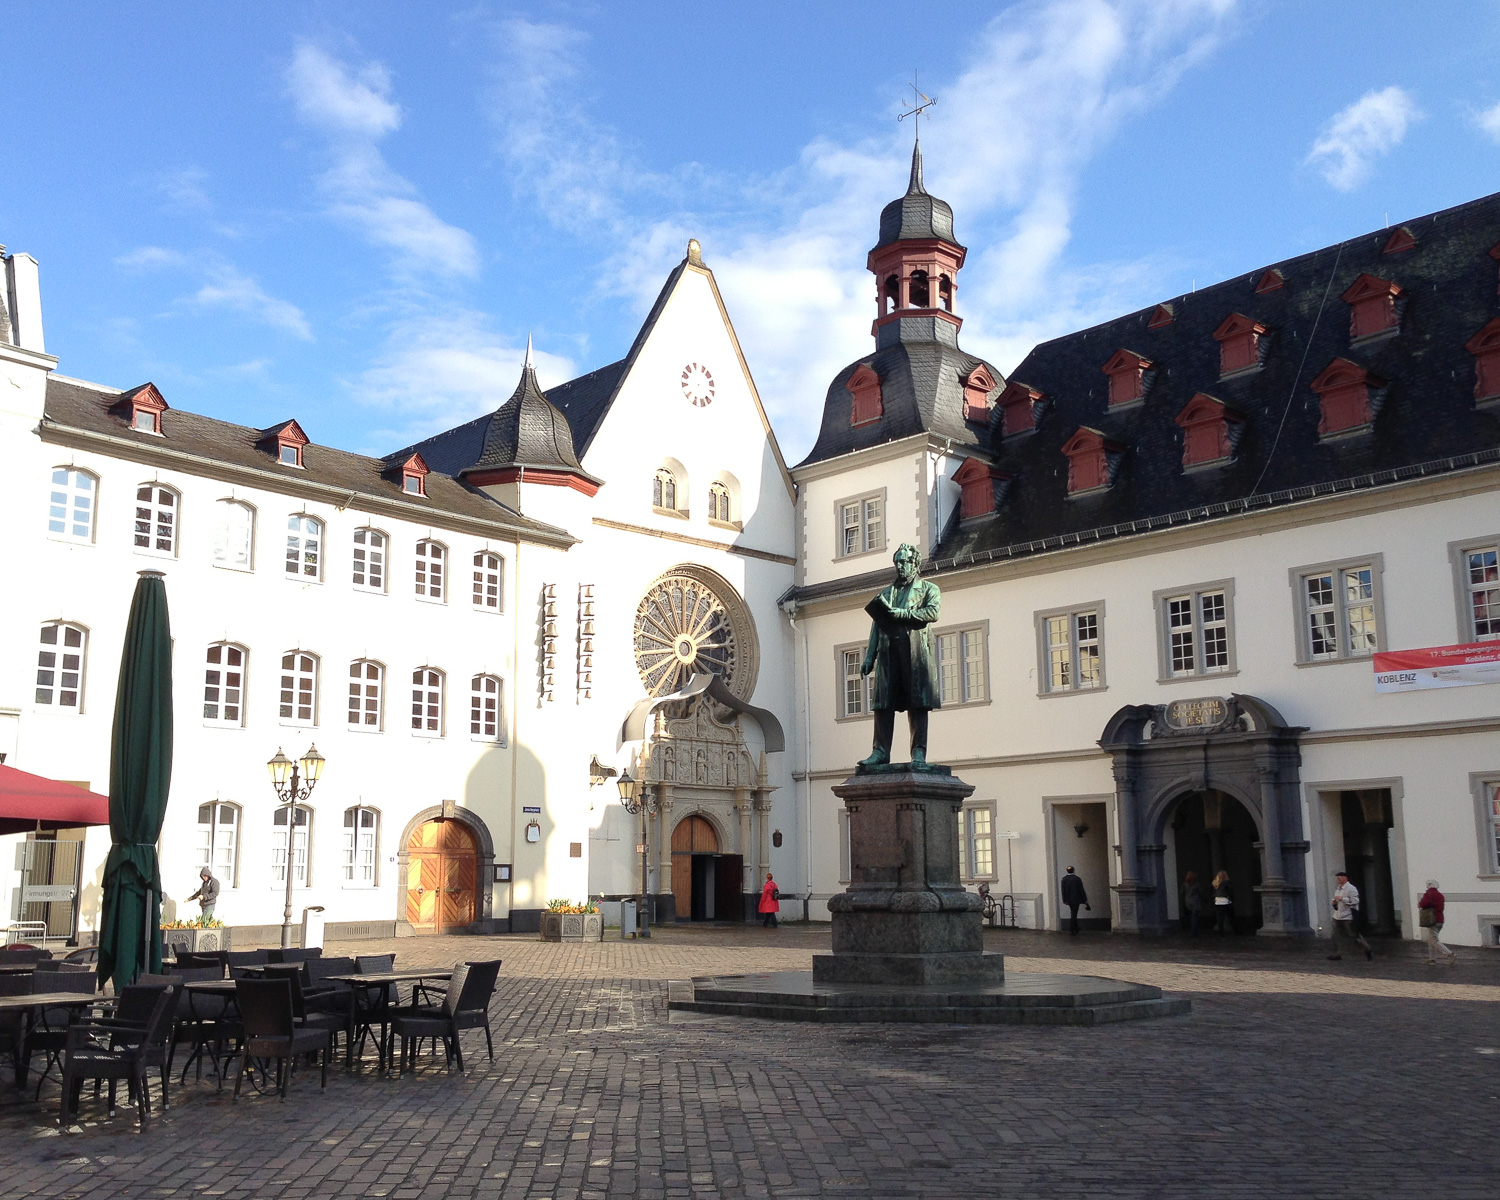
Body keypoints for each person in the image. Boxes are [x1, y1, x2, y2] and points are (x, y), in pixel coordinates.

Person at [858, 543, 942, 769]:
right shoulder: (887, 593)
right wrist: (870, 657)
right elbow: (877, 626)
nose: (900, 566)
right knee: (883, 702)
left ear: (915, 564)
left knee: (918, 703)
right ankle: (880, 751)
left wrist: (904, 614)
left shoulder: (928, 589)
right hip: (889, 652)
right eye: (898, 562)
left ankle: (918, 752)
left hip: (915, 652)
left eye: (905, 562)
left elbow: (933, 612)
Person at [1328, 869, 1373, 961]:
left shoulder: (1351, 888)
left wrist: (1342, 899)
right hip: (1338, 916)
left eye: (1340, 877)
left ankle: (1367, 950)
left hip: (1348, 916)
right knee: (1336, 935)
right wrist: (1334, 903)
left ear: (1345, 878)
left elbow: (1355, 901)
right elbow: (1337, 902)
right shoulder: (1338, 889)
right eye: (1337, 878)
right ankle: (1338, 953)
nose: (1338, 879)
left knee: (1354, 936)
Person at [1417, 879, 1458, 965]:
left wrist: (1420, 904)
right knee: (1431, 939)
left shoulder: (1428, 894)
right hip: (1440, 919)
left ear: (1429, 885)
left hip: (1432, 919)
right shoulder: (1440, 895)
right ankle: (1432, 959)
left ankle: (1450, 954)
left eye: (1427, 884)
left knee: (1434, 940)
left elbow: (1423, 904)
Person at [1060, 866, 1089, 935]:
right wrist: (1085, 899)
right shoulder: (1077, 879)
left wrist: (1064, 899)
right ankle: (1073, 928)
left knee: (1073, 913)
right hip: (1076, 899)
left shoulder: (1064, 879)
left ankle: (1074, 928)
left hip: (1069, 899)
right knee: (1074, 914)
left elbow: (1063, 891)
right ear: (1073, 870)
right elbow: (1081, 889)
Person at [1211, 870, 1235, 934]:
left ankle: (1220, 932)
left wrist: (1213, 897)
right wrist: (1231, 898)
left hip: (1217, 901)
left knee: (1220, 918)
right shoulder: (1227, 882)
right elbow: (1230, 890)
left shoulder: (1215, 883)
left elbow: (1212, 891)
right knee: (1231, 916)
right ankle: (1235, 930)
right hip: (1225, 900)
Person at [1182, 871, 1204, 937]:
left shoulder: (1184, 884)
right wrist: (1204, 899)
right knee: (1195, 918)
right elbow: (1200, 892)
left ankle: (1193, 931)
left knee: (1191, 917)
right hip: (1195, 902)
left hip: (1188, 902)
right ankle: (1194, 932)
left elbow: (1182, 893)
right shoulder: (1196, 884)